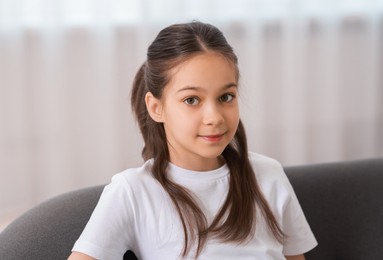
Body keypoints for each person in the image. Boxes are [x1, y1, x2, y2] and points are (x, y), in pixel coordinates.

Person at [68, 21, 317, 260]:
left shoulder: (268, 174)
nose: (215, 117)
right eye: (191, 100)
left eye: (226, 97)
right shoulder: (132, 191)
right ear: (156, 108)